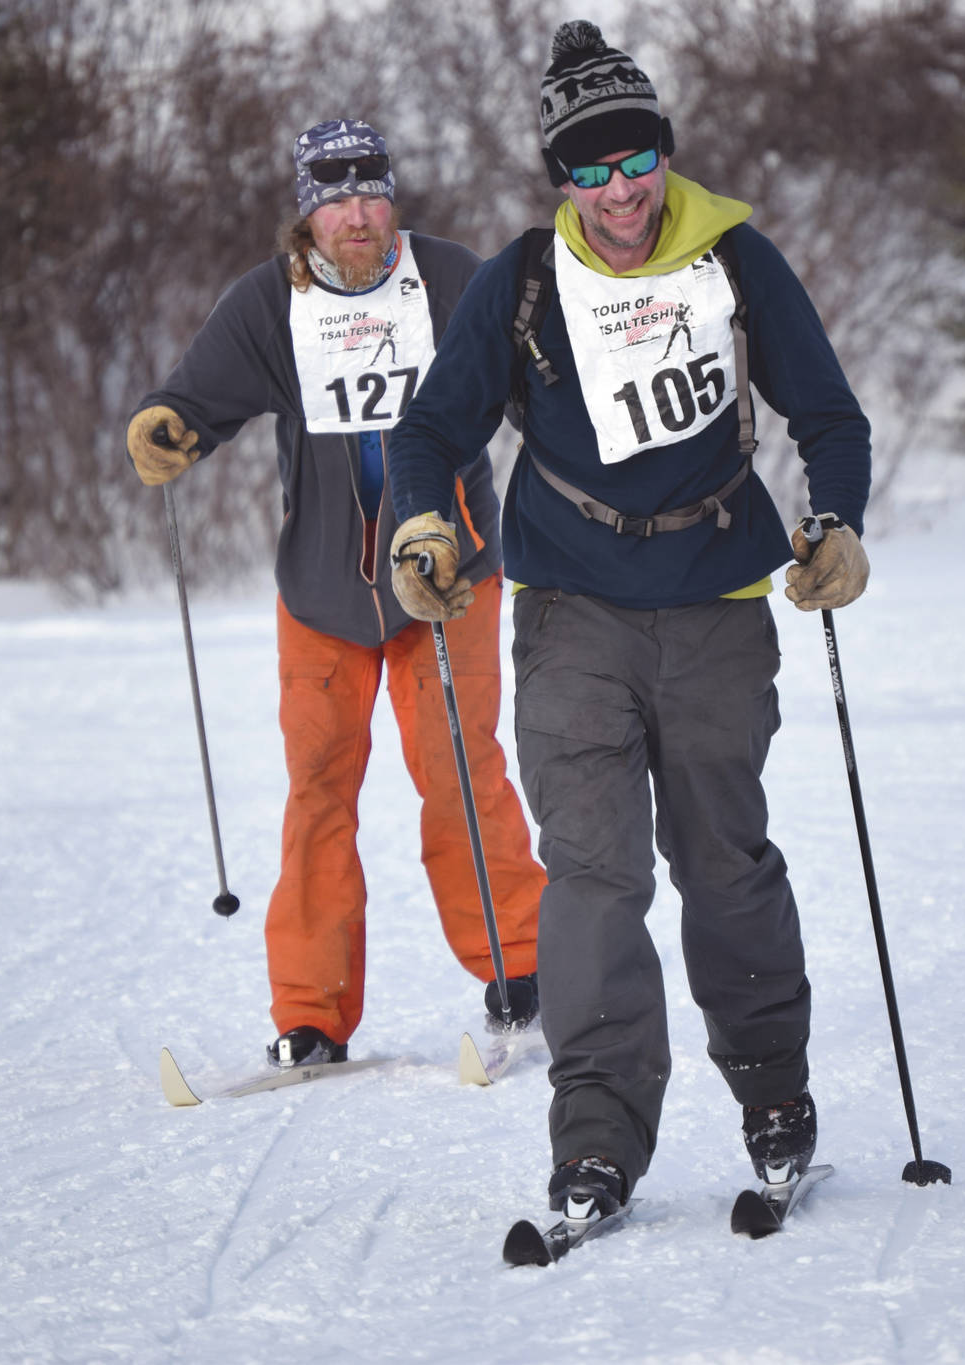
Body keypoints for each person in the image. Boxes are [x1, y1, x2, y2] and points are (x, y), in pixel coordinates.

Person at [384, 22, 873, 1220]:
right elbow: (429, 432)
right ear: (561, 179)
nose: (618, 190)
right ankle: (595, 1139)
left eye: (634, 159)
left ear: (664, 152)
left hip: (715, 604)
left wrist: (838, 524)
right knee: (592, 878)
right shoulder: (524, 283)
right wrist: (422, 529)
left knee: (722, 862)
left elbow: (827, 414)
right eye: (588, 169)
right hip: (573, 618)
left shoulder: (736, 259)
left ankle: (772, 1100)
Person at [124, 120, 546, 1069]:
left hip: (447, 576)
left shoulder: (446, 279)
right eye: (333, 197)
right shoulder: (269, 302)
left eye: (369, 193)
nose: (355, 215)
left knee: (459, 771)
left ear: (392, 198)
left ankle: (525, 967)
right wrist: (168, 428)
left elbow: (533, 384)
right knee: (318, 793)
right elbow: (197, 399)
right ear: (305, 212)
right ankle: (310, 1013)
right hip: (322, 593)